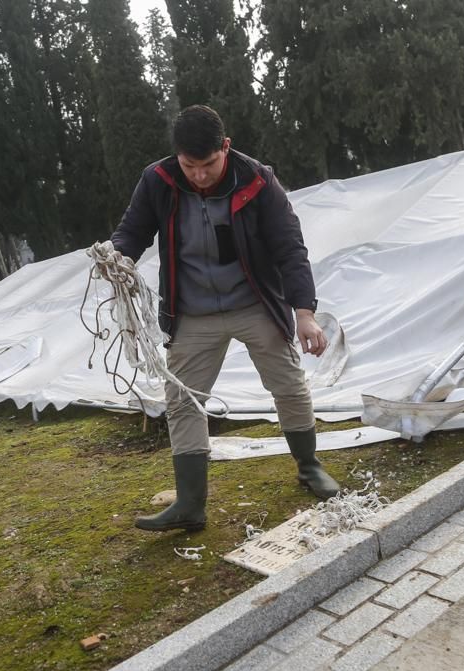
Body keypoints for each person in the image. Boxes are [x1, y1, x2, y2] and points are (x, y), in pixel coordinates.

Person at [111, 104, 341, 532]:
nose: (199, 175)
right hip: (192, 313)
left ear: (226, 147)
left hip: (254, 303)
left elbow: (290, 248)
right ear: (177, 157)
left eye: (209, 164)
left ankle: (309, 467)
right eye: (189, 165)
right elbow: (132, 231)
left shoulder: (257, 180)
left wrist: (304, 313)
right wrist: (116, 256)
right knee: (182, 401)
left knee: (288, 385)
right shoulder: (157, 181)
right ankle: (190, 505)